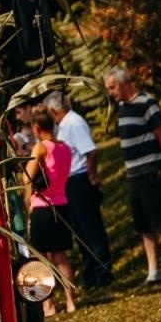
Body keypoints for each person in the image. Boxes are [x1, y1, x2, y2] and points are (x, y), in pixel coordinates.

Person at [104, 68, 161, 285]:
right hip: (133, 172)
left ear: (126, 83)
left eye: (113, 87)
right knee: (143, 224)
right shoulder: (121, 108)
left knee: (160, 220)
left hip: (150, 169)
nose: (110, 93)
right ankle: (153, 270)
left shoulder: (147, 103)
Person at [46, 89, 112, 287]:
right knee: (81, 232)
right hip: (70, 182)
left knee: (91, 229)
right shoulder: (63, 125)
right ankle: (90, 274)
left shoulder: (74, 123)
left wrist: (91, 176)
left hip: (80, 179)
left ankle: (103, 273)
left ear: (53, 110)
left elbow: (90, 152)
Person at [24, 111, 77, 315]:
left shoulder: (40, 148)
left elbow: (26, 178)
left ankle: (48, 304)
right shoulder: (64, 147)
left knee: (42, 259)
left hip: (42, 206)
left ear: (37, 128)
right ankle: (71, 301)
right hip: (62, 203)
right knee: (61, 257)